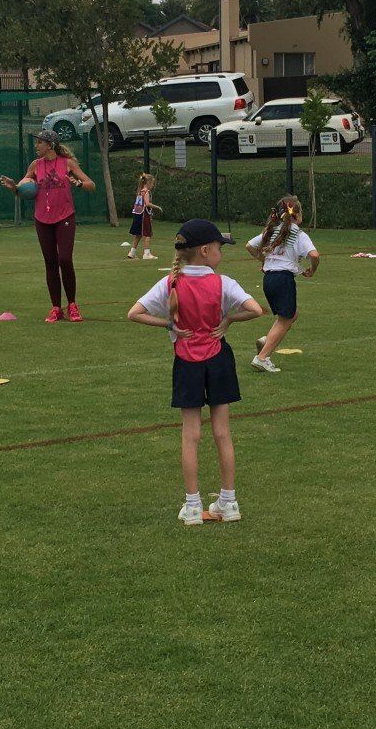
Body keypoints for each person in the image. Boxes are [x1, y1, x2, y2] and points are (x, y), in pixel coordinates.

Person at [127, 218, 263, 525]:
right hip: (218, 359)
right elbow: (255, 309)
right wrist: (227, 320)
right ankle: (228, 503)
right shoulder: (223, 282)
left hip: (186, 361)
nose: (221, 253)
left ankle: (192, 506)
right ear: (204, 251)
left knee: (191, 436)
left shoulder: (170, 283)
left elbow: (134, 313)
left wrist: (169, 324)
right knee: (222, 433)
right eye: (218, 247)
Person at [0, 128, 95, 322]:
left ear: (50, 145)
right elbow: (23, 189)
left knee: (65, 259)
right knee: (50, 262)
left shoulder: (67, 163)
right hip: (42, 218)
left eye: (40, 142)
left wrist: (77, 183)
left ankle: (73, 305)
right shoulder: (35, 165)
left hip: (65, 217)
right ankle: (55, 308)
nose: (36, 146)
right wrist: (14, 188)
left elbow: (91, 185)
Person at [246, 195, 319, 373]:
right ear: (298, 214)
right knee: (285, 320)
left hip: (268, 279)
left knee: (290, 315)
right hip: (283, 279)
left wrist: (264, 261)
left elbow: (249, 246)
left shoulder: (272, 230)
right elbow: (315, 255)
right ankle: (262, 358)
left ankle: (266, 340)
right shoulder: (299, 234)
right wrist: (312, 269)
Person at [127, 174, 162, 261]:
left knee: (138, 234)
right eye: (152, 183)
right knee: (147, 233)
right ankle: (146, 253)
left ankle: (132, 252)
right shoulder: (146, 192)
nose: (153, 185)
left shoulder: (140, 191)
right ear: (148, 183)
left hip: (137, 214)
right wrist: (157, 207)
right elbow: (147, 204)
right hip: (143, 215)